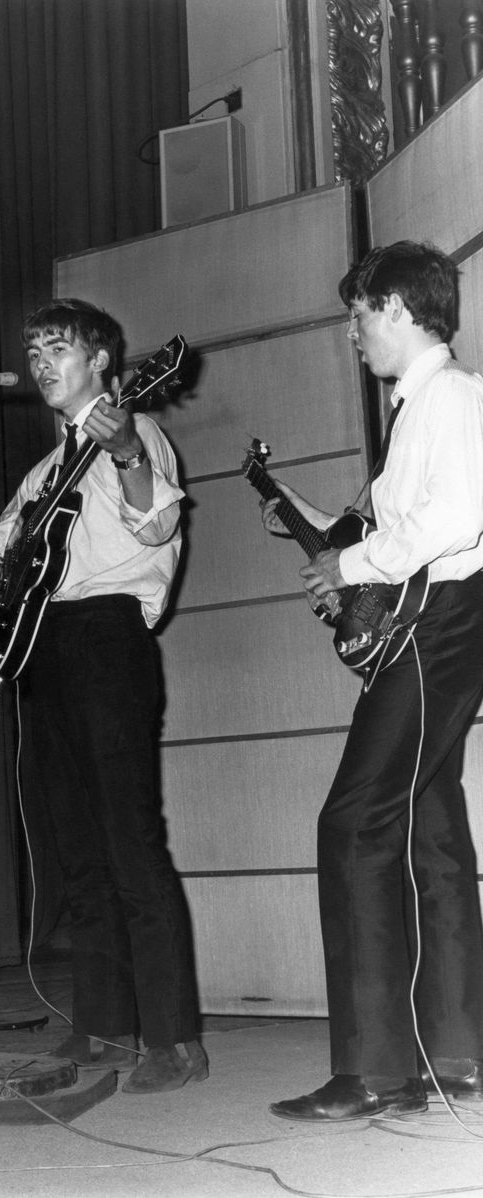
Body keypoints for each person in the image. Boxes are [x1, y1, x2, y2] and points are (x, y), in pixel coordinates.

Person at [261, 242, 483, 1121]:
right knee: (430, 827)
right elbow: (410, 516)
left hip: (439, 629)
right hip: (447, 624)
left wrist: (348, 560)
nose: (352, 332)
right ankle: (459, 1049)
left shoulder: (450, 396)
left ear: (395, 306)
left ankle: (375, 1070)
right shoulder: (423, 409)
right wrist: (341, 545)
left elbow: (462, 515)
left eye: (358, 314)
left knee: (353, 823)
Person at [0, 298, 205, 1093]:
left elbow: (157, 528)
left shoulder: (138, 434)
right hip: (43, 652)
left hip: (107, 642)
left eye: (56, 347)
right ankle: (105, 1026)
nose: (39, 362)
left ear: (102, 361)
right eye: (32, 349)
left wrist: (130, 450)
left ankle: (174, 1040)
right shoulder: (42, 473)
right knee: (77, 852)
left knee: (132, 843)